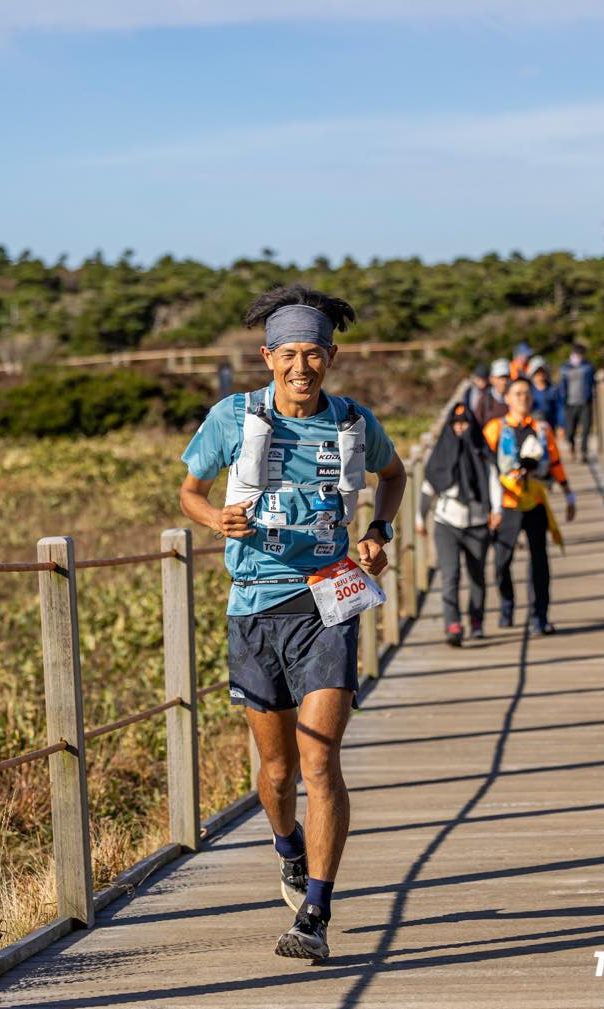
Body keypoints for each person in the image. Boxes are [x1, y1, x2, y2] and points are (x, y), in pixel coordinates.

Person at [179, 284, 405, 963]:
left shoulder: (354, 423)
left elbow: (393, 474)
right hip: (253, 605)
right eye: (289, 356)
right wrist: (215, 518)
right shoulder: (233, 418)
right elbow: (188, 491)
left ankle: (315, 913)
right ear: (267, 356)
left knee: (319, 760)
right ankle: (287, 848)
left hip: (327, 603)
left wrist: (378, 531)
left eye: (314, 355)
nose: (301, 368)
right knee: (276, 773)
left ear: (330, 357)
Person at [483, 378, 576, 634]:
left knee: (540, 562)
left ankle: (540, 616)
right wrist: (490, 506)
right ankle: (507, 605)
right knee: (502, 561)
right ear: (508, 398)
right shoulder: (495, 429)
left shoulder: (542, 429)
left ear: (532, 398)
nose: (523, 398)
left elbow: (555, 462)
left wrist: (568, 494)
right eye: (517, 393)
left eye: (526, 393)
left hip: (535, 502)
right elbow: (485, 465)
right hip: (507, 503)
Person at [417, 403, 499, 646]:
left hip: (477, 523)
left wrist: (498, 510)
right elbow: (428, 487)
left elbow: (494, 480)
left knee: (477, 575)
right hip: (447, 523)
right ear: (450, 426)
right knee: (450, 574)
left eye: (465, 423)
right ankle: (452, 624)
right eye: (456, 424)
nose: (461, 428)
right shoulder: (441, 454)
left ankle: (476, 620)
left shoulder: (482, 454)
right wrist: (420, 518)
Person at [559, 344, 596, 461]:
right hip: (570, 403)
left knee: (585, 429)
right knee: (570, 431)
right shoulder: (564, 368)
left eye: (580, 354)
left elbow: (593, 382)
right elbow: (562, 386)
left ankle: (584, 452)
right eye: (576, 354)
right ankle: (572, 447)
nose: (578, 357)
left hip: (585, 402)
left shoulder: (588, 367)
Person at [469, 358, 509, 428]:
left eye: (507, 377)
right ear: (492, 379)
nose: (504, 382)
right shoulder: (484, 400)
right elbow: (477, 426)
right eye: (500, 378)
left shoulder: (516, 398)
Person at [530, 363, 565, 430]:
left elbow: (559, 408)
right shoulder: (528, 390)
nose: (540, 375)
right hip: (532, 426)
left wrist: (561, 425)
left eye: (542, 372)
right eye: (537, 373)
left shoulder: (552, 390)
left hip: (550, 426)